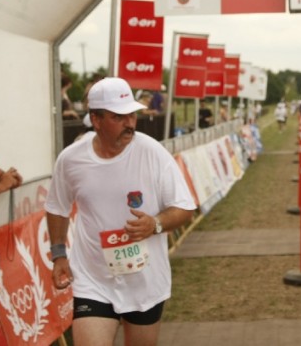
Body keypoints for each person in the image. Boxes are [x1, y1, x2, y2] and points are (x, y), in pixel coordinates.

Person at [45, 77, 196, 346]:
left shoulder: (152, 152)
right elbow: (57, 206)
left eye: (132, 115)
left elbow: (185, 208)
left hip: (145, 281)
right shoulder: (71, 159)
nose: (129, 123)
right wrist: (58, 255)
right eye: (118, 117)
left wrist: (155, 224)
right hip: (93, 280)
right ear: (96, 119)